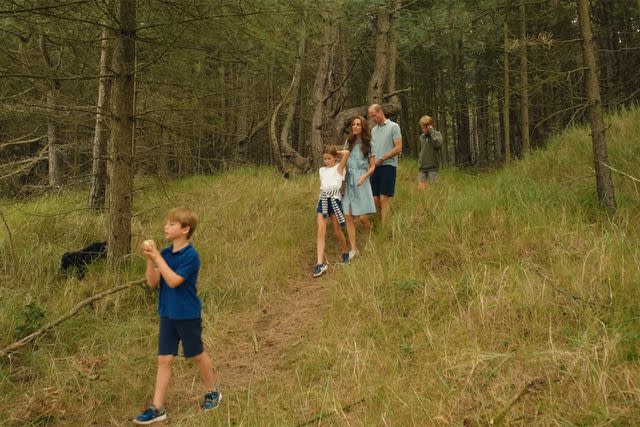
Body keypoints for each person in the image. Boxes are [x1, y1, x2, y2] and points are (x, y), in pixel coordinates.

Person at [134, 207, 220, 425]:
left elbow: (173, 281)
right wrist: (149, 259)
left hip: (187, 314)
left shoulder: (191, 256)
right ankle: (157, 408)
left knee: (196, 354)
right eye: (167, 223)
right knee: (164, 359)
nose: (166, 227)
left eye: (172, 224)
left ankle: (213, 393)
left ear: (185, 230)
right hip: (167, 314)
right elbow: (153, 282)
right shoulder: (164, 254)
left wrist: (157, 258)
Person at [342, 116, 376, 260]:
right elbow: (343, 161)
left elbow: (373, 166)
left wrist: (364, 176)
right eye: (353, 124)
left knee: (362, 217)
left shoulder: (369, 144)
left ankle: (371, 236)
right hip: (349, 179)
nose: (355, 127)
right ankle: (354, 249)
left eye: (358, 124)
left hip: (362, 180)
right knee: (348, 215)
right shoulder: (348, 142)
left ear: (363, 127)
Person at [314, 146, 351, 277]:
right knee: (320, 231)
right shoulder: (321, 170)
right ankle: (319, 263)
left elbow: (346, 153)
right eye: (324, 158)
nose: (326, 161)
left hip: (335, 200)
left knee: (337, 230)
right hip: (323, 201)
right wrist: (332, 154)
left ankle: (345, 252)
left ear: (335, 158)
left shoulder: (339, 168)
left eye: (329, 158)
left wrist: (337, 153)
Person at [368, 104, 402, 224]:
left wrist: (382, 158)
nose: (373, 118)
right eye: (371, 116)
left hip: (388, 165)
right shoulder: (374, 130)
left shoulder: (393, 126)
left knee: (384, 198)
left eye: (374, 115)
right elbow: (372, 150)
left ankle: (385, 228)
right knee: (375, 198)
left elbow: (398, 148)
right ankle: (384, 218)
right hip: (375, 167)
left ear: (380, 112)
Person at [417, 115, 443, 190]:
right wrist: (419, 162)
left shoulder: (437, 135)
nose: (424, 130)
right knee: (421, 190)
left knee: (434, 190)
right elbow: (421, 151)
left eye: (425, 128)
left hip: (433, 167)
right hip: (422, 168)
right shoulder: (421, 137)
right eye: (422, 128)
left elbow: (438, 144)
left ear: (430, 126)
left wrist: (432, 132)